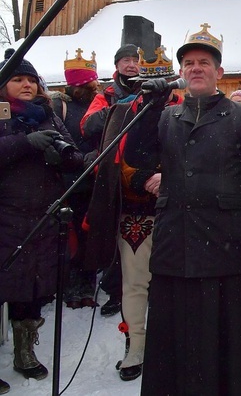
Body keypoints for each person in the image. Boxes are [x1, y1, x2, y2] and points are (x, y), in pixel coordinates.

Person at [123, 23, 241, 394]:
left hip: (224, 245)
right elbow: (137, 155)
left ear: (218, 72)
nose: (195, 68)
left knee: (220, 335)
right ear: (180, 72)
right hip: (176, 244)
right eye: (188, 62)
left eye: (204, 62)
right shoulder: (166, 116)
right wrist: (148, 103)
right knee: (176, 336)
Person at [84, 47, 182, 382]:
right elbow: (112, 164)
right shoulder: (123, 112)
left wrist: (170, 177)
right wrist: (141, 178)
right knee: (135, 284)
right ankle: (135, 345)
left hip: (181, 211)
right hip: (136, 211)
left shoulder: (186, 110)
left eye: (163, 80)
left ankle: (171, 344)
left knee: (176, 283)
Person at [0, 50, 83, 392]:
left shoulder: (48, 113)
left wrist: (60, 156)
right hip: (5, 214)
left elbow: (74, 155)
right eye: (18, 79)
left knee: (29, 288)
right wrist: (23, 143)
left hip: (41, 215)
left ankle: (24, 354)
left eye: (31, 79)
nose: (26, 85)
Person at [80, 42, 142, 318]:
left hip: (144, 169)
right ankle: (115, 291)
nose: (131, 64)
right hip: (113, 172)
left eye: (135, 60)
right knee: (113, 230)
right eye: (125, 60)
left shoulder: (151, 88)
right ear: (117, 65)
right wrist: (118, 109)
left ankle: (141, 288)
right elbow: (88, 126)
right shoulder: (107, 93)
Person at [50, 49, 99, 310]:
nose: (89, 88)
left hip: (90, 182)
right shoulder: (60, 105)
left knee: (87, 236)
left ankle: (86, 285)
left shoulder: (99, 105)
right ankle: (69, 286)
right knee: (68, 238)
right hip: (67, 182)